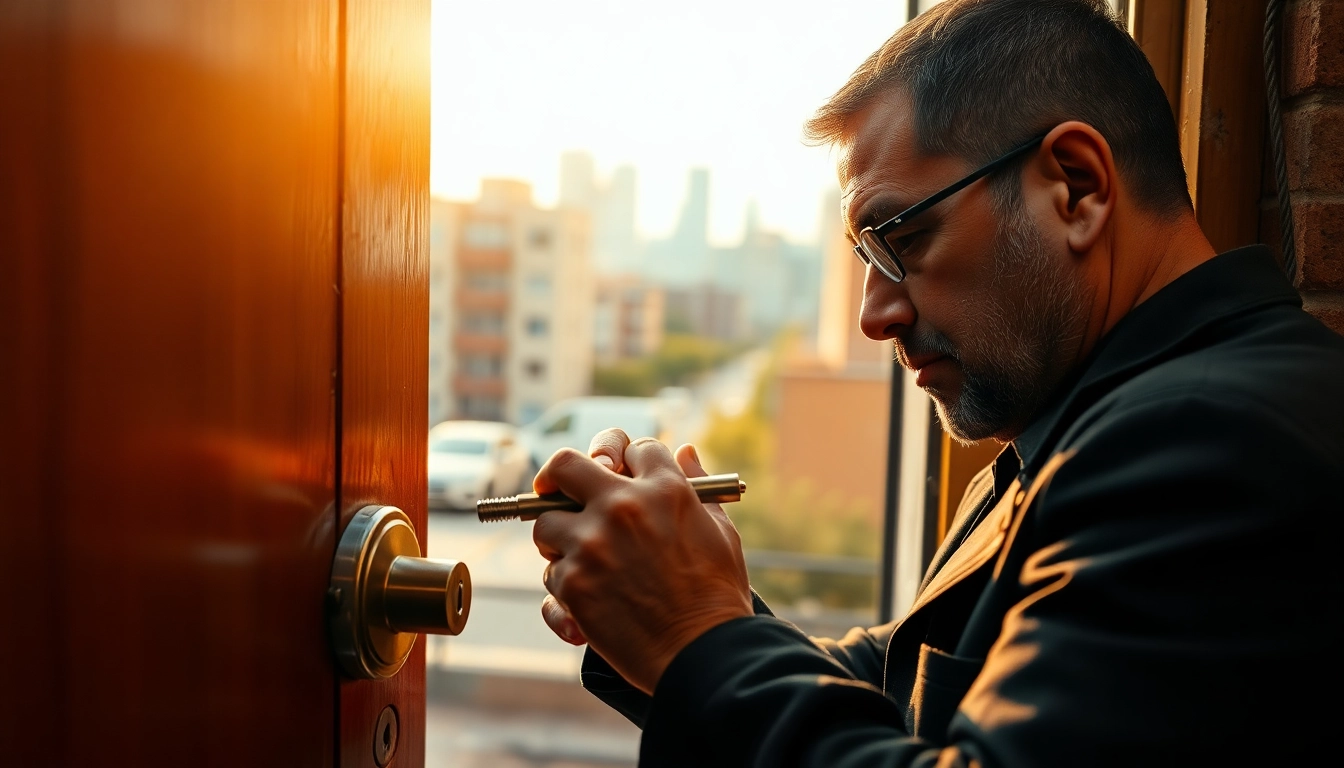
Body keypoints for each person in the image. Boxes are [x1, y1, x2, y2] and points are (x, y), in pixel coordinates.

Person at [529, 0, 1344, 764]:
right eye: (865, 261)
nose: (874, 317)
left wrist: (691, 631)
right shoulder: (1091, 424)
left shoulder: (1208, 445)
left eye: (904, 240)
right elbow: (910, 686)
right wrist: (671, 597)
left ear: (1077, 186)